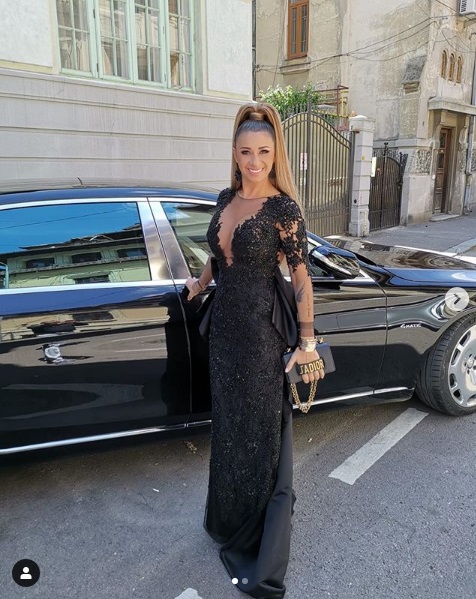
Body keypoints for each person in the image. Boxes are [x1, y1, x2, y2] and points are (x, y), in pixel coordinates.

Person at [186, 102, 324, 599]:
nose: (255, 161)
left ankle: (257, 539)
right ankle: (227, 520)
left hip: (261, 337)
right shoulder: (225, 198)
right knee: (229, 432)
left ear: (275, 153)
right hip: (225, 335)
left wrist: (307, 343)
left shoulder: (284, 209)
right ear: (234, 152)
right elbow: (218, 253)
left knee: (259, 438)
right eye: (246, 151)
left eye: (264, 152)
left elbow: (302, 281)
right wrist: (199, 283)